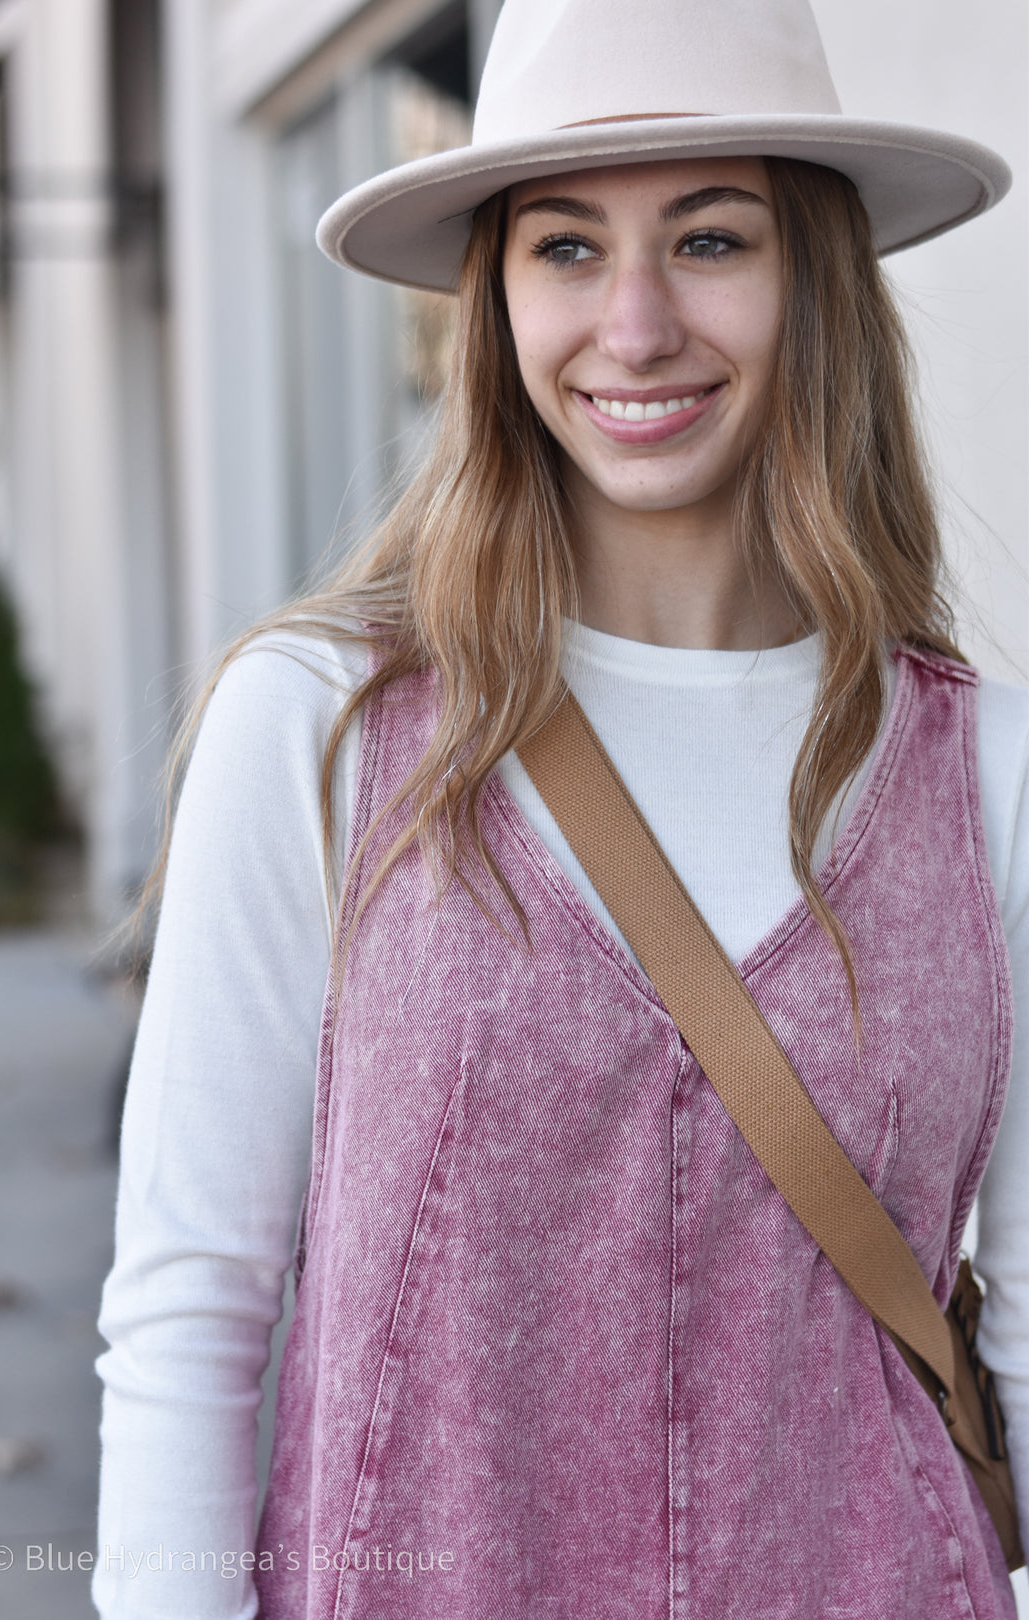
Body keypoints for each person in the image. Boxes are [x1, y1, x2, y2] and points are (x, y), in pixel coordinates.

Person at [93, 0, 1028, 1615]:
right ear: (494, 301)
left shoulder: (993, 775)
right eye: (568, 249)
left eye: (712, 237)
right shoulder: (321, 728)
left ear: (816, 277)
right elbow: (194, 1304)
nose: (639, 322)